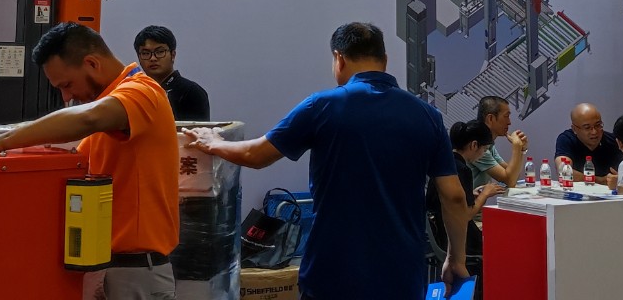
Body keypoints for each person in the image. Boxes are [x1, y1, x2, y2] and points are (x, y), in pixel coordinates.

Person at [182, 23, 473, 300]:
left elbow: (256, 155)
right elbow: (454, 197)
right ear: (384, 60)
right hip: (401, 276)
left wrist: (214, 142)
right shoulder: (427, 116)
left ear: (339, 58)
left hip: (333, 273)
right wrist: (455, 258)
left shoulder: (322, 106)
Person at [0, 22, 179, 300]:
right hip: (102, 267)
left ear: (92, 63)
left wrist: (0, 141)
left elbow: (88, 118)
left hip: (135, 273)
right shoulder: (108, 115)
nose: (66, 97)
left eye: (67, 85)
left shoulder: (143, 92)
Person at [427, 120, 504, 279]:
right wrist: (485, 194)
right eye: (484, 149)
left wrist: (472, 194)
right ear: (474, 145)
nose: (483, 153)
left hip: (438, 234)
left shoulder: (444, 165)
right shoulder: (462, 170)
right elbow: (464, 215)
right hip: (458, 242)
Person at [134, 25, 210, 122]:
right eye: (145, 53)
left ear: (173, 55)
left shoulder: (192, 92)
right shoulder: (137, 92)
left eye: (160, 52)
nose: (153, 58)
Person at [554, 103, 623, 183]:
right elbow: (563, 171)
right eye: (587, 127)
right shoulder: (567, 139)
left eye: (598, 125)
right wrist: (600, 180)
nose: (594, 132)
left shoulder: (613, 141)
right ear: (574, 129)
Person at [471, 95, 528, 190]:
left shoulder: (488, 144)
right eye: (506, 116)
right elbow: (509, 180)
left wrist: (521, 149)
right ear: (490, 119)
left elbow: (514, 175)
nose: (509, 122)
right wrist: (516, 146)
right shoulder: (477, 145)